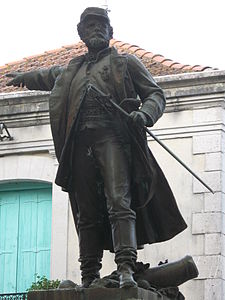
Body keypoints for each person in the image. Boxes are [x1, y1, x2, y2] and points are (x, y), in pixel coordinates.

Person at [6, 7, 187, 288]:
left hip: (113, 139)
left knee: (119, 200)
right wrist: (24, 78)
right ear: (81, 34)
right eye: (90, 26)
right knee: (86, 211)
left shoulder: (126, 63)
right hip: (79, 145)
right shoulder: (71, 69)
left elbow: (155, 94)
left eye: (102, 25)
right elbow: (47, 75)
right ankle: (89, 276)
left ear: (110, 32)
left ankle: (126, 266)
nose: (96, 29)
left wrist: (145, 114)